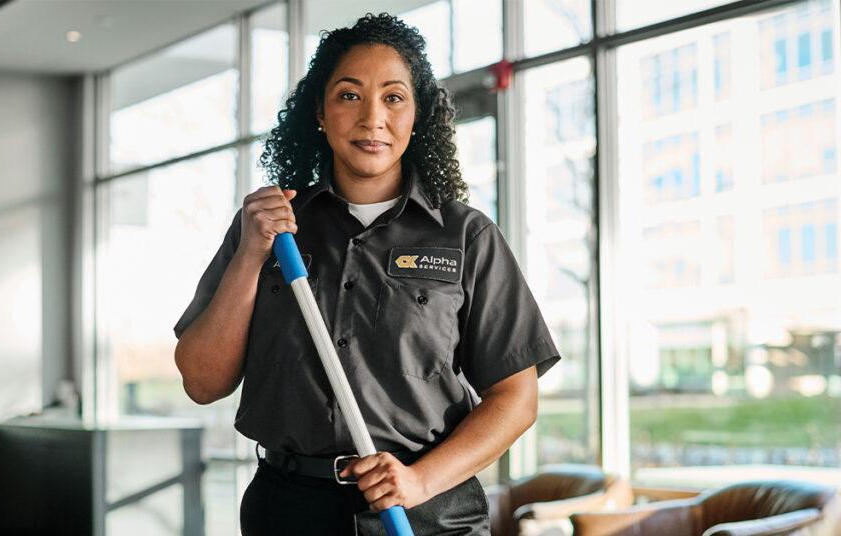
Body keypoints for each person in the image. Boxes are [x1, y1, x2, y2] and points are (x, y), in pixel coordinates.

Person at [174, 13, 560, 535]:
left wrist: (419, 481)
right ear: (320, 110)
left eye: (394, 97)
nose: (372, 117)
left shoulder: (466, 235)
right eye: (350, 95)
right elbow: (201, 382)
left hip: (426, 514)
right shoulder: (266, 231)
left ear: (417, 114)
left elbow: (516, 398)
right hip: (287, 512)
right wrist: (249, 257)